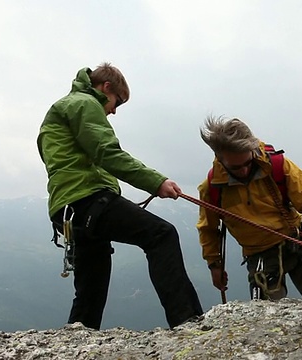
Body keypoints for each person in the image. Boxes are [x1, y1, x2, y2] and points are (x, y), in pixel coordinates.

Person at [37, 62, 203, 330]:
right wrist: (156, 182)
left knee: (91, 288)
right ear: (106, 87)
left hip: (68, 211)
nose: (114, 110)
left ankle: (78, 341)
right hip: (88, 199)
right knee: (161, 235)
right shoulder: (83, 104)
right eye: (117, 101)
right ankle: (187, 323)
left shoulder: (60, 112)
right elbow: (107, 152)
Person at [196, 115, 302, 301]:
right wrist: (214, 265)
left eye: (248, 162)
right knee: (269, 318)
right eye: (236, 167)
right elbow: (208, 229)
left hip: (296, 241)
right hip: (260, 255)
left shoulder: (277, 166)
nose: (244, 171)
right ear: (219, 158)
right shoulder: (213, 187)